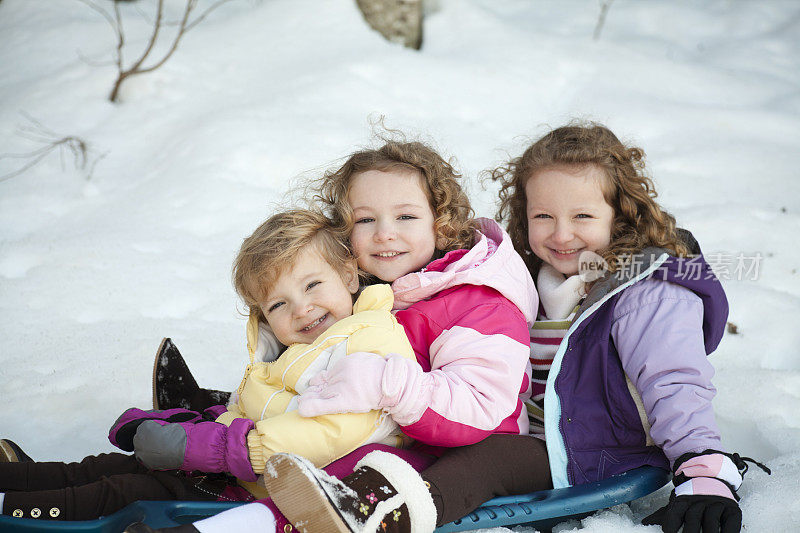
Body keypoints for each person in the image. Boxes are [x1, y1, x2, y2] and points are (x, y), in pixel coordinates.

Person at [263, 124, 768, 533]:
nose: (561, 234)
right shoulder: (535, 279)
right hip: (514, 425)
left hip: (593, 452)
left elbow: (674, 382)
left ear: (621, 214)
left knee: (486, 460)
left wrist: (704, 470)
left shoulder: (646, 294)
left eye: (583, 215)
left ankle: (386, 513)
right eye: (543, 215)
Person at [128, 139, 541, 533]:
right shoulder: (378, 283)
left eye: (406, 217)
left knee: (350, 466)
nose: (384, 233)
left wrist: (386, 382)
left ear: (442, 221)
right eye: (365, 220)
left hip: (458, 446)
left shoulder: (479, 304)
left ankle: (252, 515)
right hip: (380, 426)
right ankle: (207, 414)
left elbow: (476, 404)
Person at [0, 208, 422, 522]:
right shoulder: (286, 352)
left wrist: (211, 448)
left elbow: (333, 432)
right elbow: (252, 411)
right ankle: (20, 479)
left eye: (313, 284)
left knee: (128, 490)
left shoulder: (368, 340)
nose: (301, 308)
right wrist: (189, 426)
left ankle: (19, 511)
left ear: (349, 277)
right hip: (236, 472)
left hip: (265, 495)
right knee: (113, 466)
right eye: (278, 303)